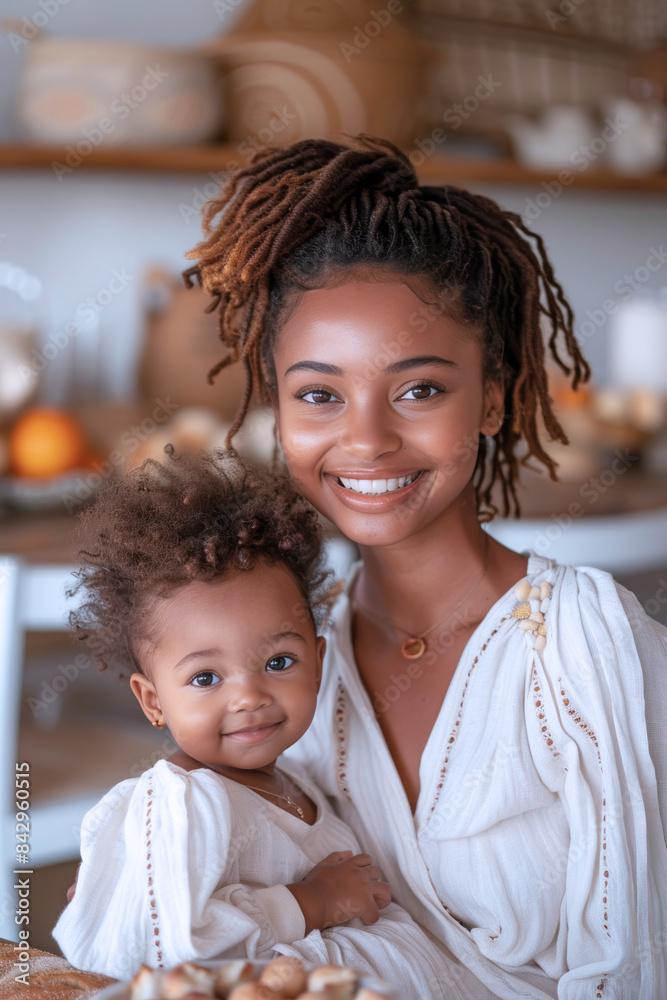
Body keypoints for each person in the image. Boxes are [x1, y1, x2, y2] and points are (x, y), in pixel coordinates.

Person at [181, 133, 667, 999]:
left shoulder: (578, 645)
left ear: (490, 397)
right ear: (278, 408)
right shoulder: (298, 660)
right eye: (320, 395)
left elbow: (637, 965)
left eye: (418, 389)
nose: (365, 440)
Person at [51, 448, 457, 997]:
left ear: (316, 661)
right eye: (204, 679)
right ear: (153, 701)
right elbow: (161, 946)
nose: (248, 696)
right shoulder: (184, 801)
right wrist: (313, 901)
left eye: (279, 663)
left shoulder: (298, 781)